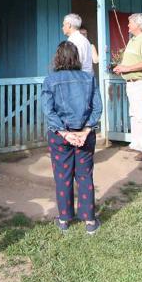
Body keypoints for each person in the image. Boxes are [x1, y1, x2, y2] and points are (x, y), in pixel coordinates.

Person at [41, 41, 103, 234]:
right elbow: (97, 107)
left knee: (62, 175)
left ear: (57, 58)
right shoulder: (89, 78)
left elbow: (48, 110)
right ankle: (90, 221)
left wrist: (64, 132)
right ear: (77, 58)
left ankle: (64, 220)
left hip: (60, 136)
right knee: (84, 176)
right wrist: (85, 130)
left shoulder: (50, 80)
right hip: (84, 134)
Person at [112, 13, 142, 160]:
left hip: (141, 83)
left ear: (138, 24)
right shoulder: (133, 40)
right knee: (134, 115)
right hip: (131, 83)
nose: (128, 25)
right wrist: (121, 68)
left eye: (130, 23)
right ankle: (137, 145)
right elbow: (131, 63)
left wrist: (126, 69)